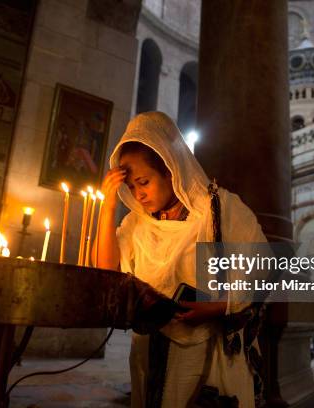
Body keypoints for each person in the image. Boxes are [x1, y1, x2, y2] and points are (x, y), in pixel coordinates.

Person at [93, 112, 268, 407]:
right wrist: (107, 207)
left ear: (171, 169)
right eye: (131, 186)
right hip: (148, 351)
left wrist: (218, 307)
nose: (138, 194)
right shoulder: (137, 225)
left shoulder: (218, 210)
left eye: (144, 182)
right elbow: (106, 274)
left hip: (210, 354)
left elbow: (262, 267)